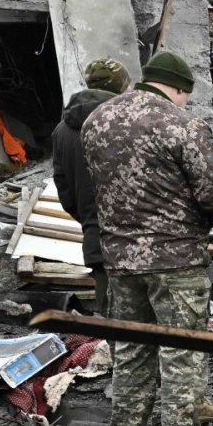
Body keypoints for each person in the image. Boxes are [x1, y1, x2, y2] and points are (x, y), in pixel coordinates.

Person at [82, 51, 213, 426]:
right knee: (180, 352)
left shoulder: (97, 119)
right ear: (180, 88)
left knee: (133, 350)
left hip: (119, 258)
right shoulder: (180, 123)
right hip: (176, 259)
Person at [51, 58, 129, 315]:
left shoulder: (62, 130)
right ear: (122, 87)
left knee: (117, 332)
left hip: (97, 241)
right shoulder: (127, 121)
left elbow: (64, 188)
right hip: (139, 243)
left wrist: (89, 219)